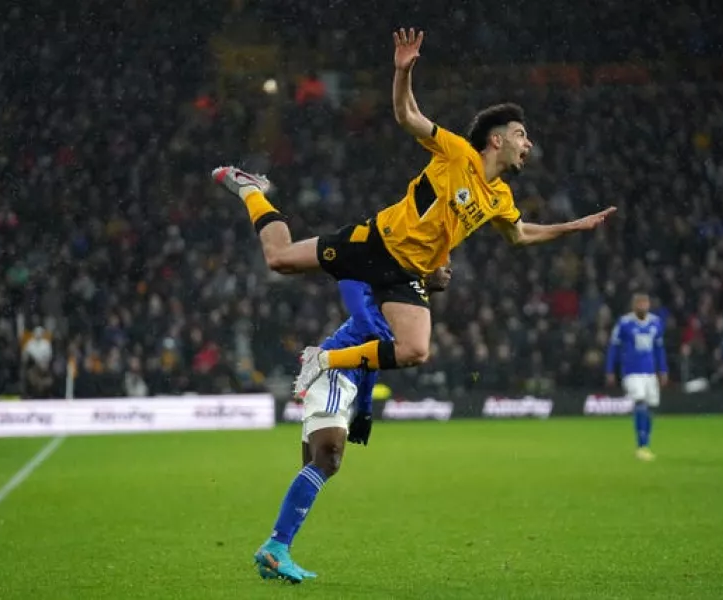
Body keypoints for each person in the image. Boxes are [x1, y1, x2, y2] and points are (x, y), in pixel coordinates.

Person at [211, 28, 615, 398]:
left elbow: (519, 235)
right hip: (374, 244)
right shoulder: (458, 152)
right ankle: (252, 190)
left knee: (415, 351)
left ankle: (322, 360)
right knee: (278, 259)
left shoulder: (501, 198)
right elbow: (407, 116)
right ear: (496, 139)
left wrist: (572, 227)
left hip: (408, 273)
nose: (528, 143)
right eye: (521, 135)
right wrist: (402, 71)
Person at [253, 266, 453, 584]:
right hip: (335, 370)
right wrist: (364, 322)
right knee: (328, 459)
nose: (448, 270)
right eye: (440, 264)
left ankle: (279, 549)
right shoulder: (394, 289)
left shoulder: (409, 303)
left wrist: (365, 409)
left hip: (346, 376)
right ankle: (276, 546)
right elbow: (350, 280)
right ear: (423, 270)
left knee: (316, 465)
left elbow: (373, 355)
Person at [605, 293, 669, 461]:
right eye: (639, 303)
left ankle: (646, 444)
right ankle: (641, 446)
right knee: (640, 402)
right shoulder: (624, 323)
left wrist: (663, 370)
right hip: (631, 372)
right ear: (633, 306)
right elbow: (614, 347)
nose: (642, 306)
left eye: (645, 303)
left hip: (650, 372)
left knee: (650, 406)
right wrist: (610, 370)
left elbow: (659, 348)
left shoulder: (656, 322)